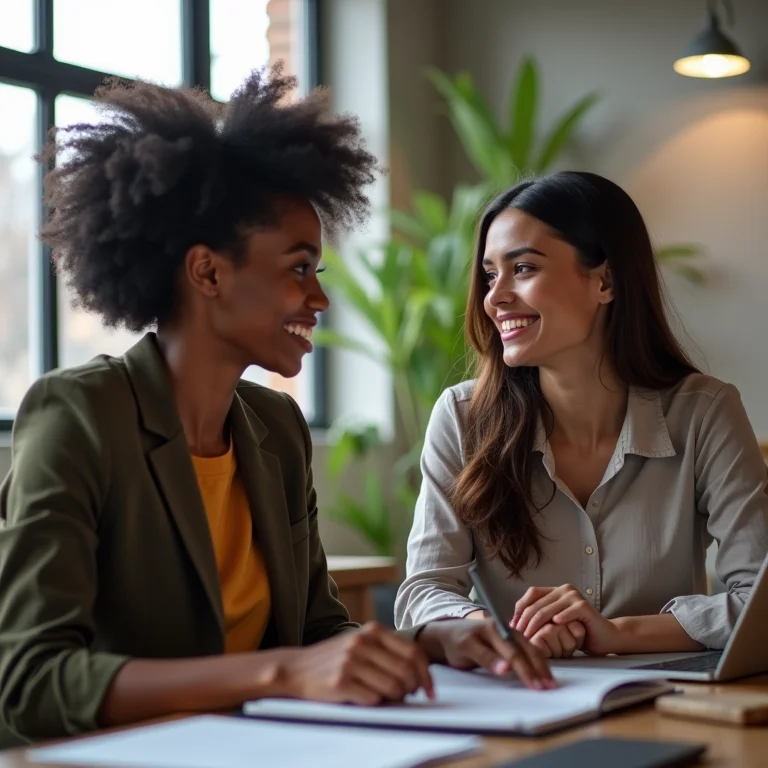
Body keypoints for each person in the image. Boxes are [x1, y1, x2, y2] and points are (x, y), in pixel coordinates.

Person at [0, 67, 554, 748]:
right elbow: (29, 682)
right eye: (298, 268)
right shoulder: (78, 417)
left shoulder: (275, 429)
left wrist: (435, 641)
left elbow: (318, 636)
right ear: (207, 272)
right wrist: (280, 674)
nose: (319, 300)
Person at [395, 171, 768, 661]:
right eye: (490, 275)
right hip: (521, 703)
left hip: (669, 705)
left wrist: (617, 634)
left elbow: (759, 601)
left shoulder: (704, 413)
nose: (495, 297)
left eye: (523, 268)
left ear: (605, 281)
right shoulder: (462, 418)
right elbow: (422, 593)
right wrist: (495, 634)